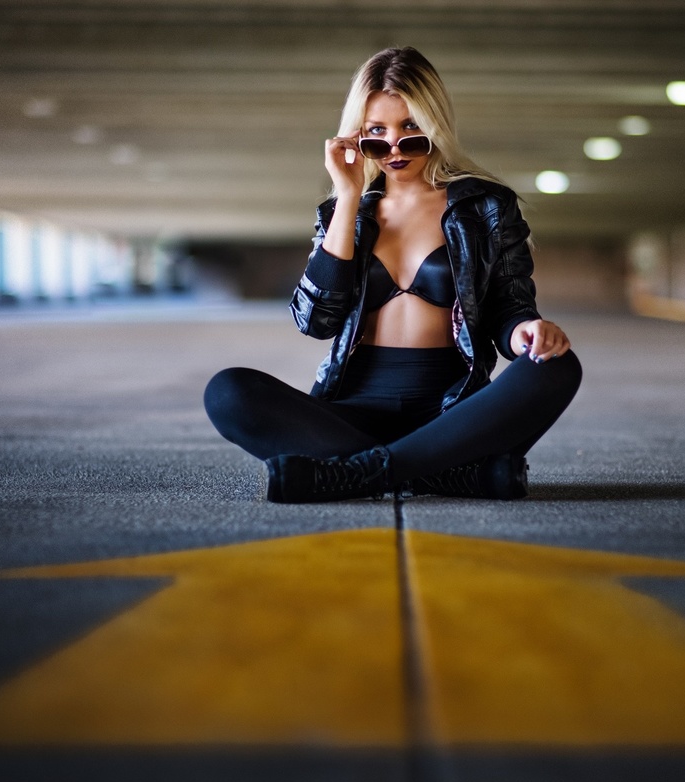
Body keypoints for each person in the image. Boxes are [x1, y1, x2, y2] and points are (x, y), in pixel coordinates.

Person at [204, 46, 581, 503]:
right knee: (227, 392)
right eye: (376, 135)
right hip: (351, 411)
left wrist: (527, 332)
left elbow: (510, 306)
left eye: (412, 131)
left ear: (435, 126)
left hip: (456, 413)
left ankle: (361, 472)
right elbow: (316, 321)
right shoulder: (343, 214)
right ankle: (443, 474)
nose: (396, 149)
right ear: (356, 138)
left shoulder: (486, 206)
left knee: (557, 366)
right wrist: (347, 198)